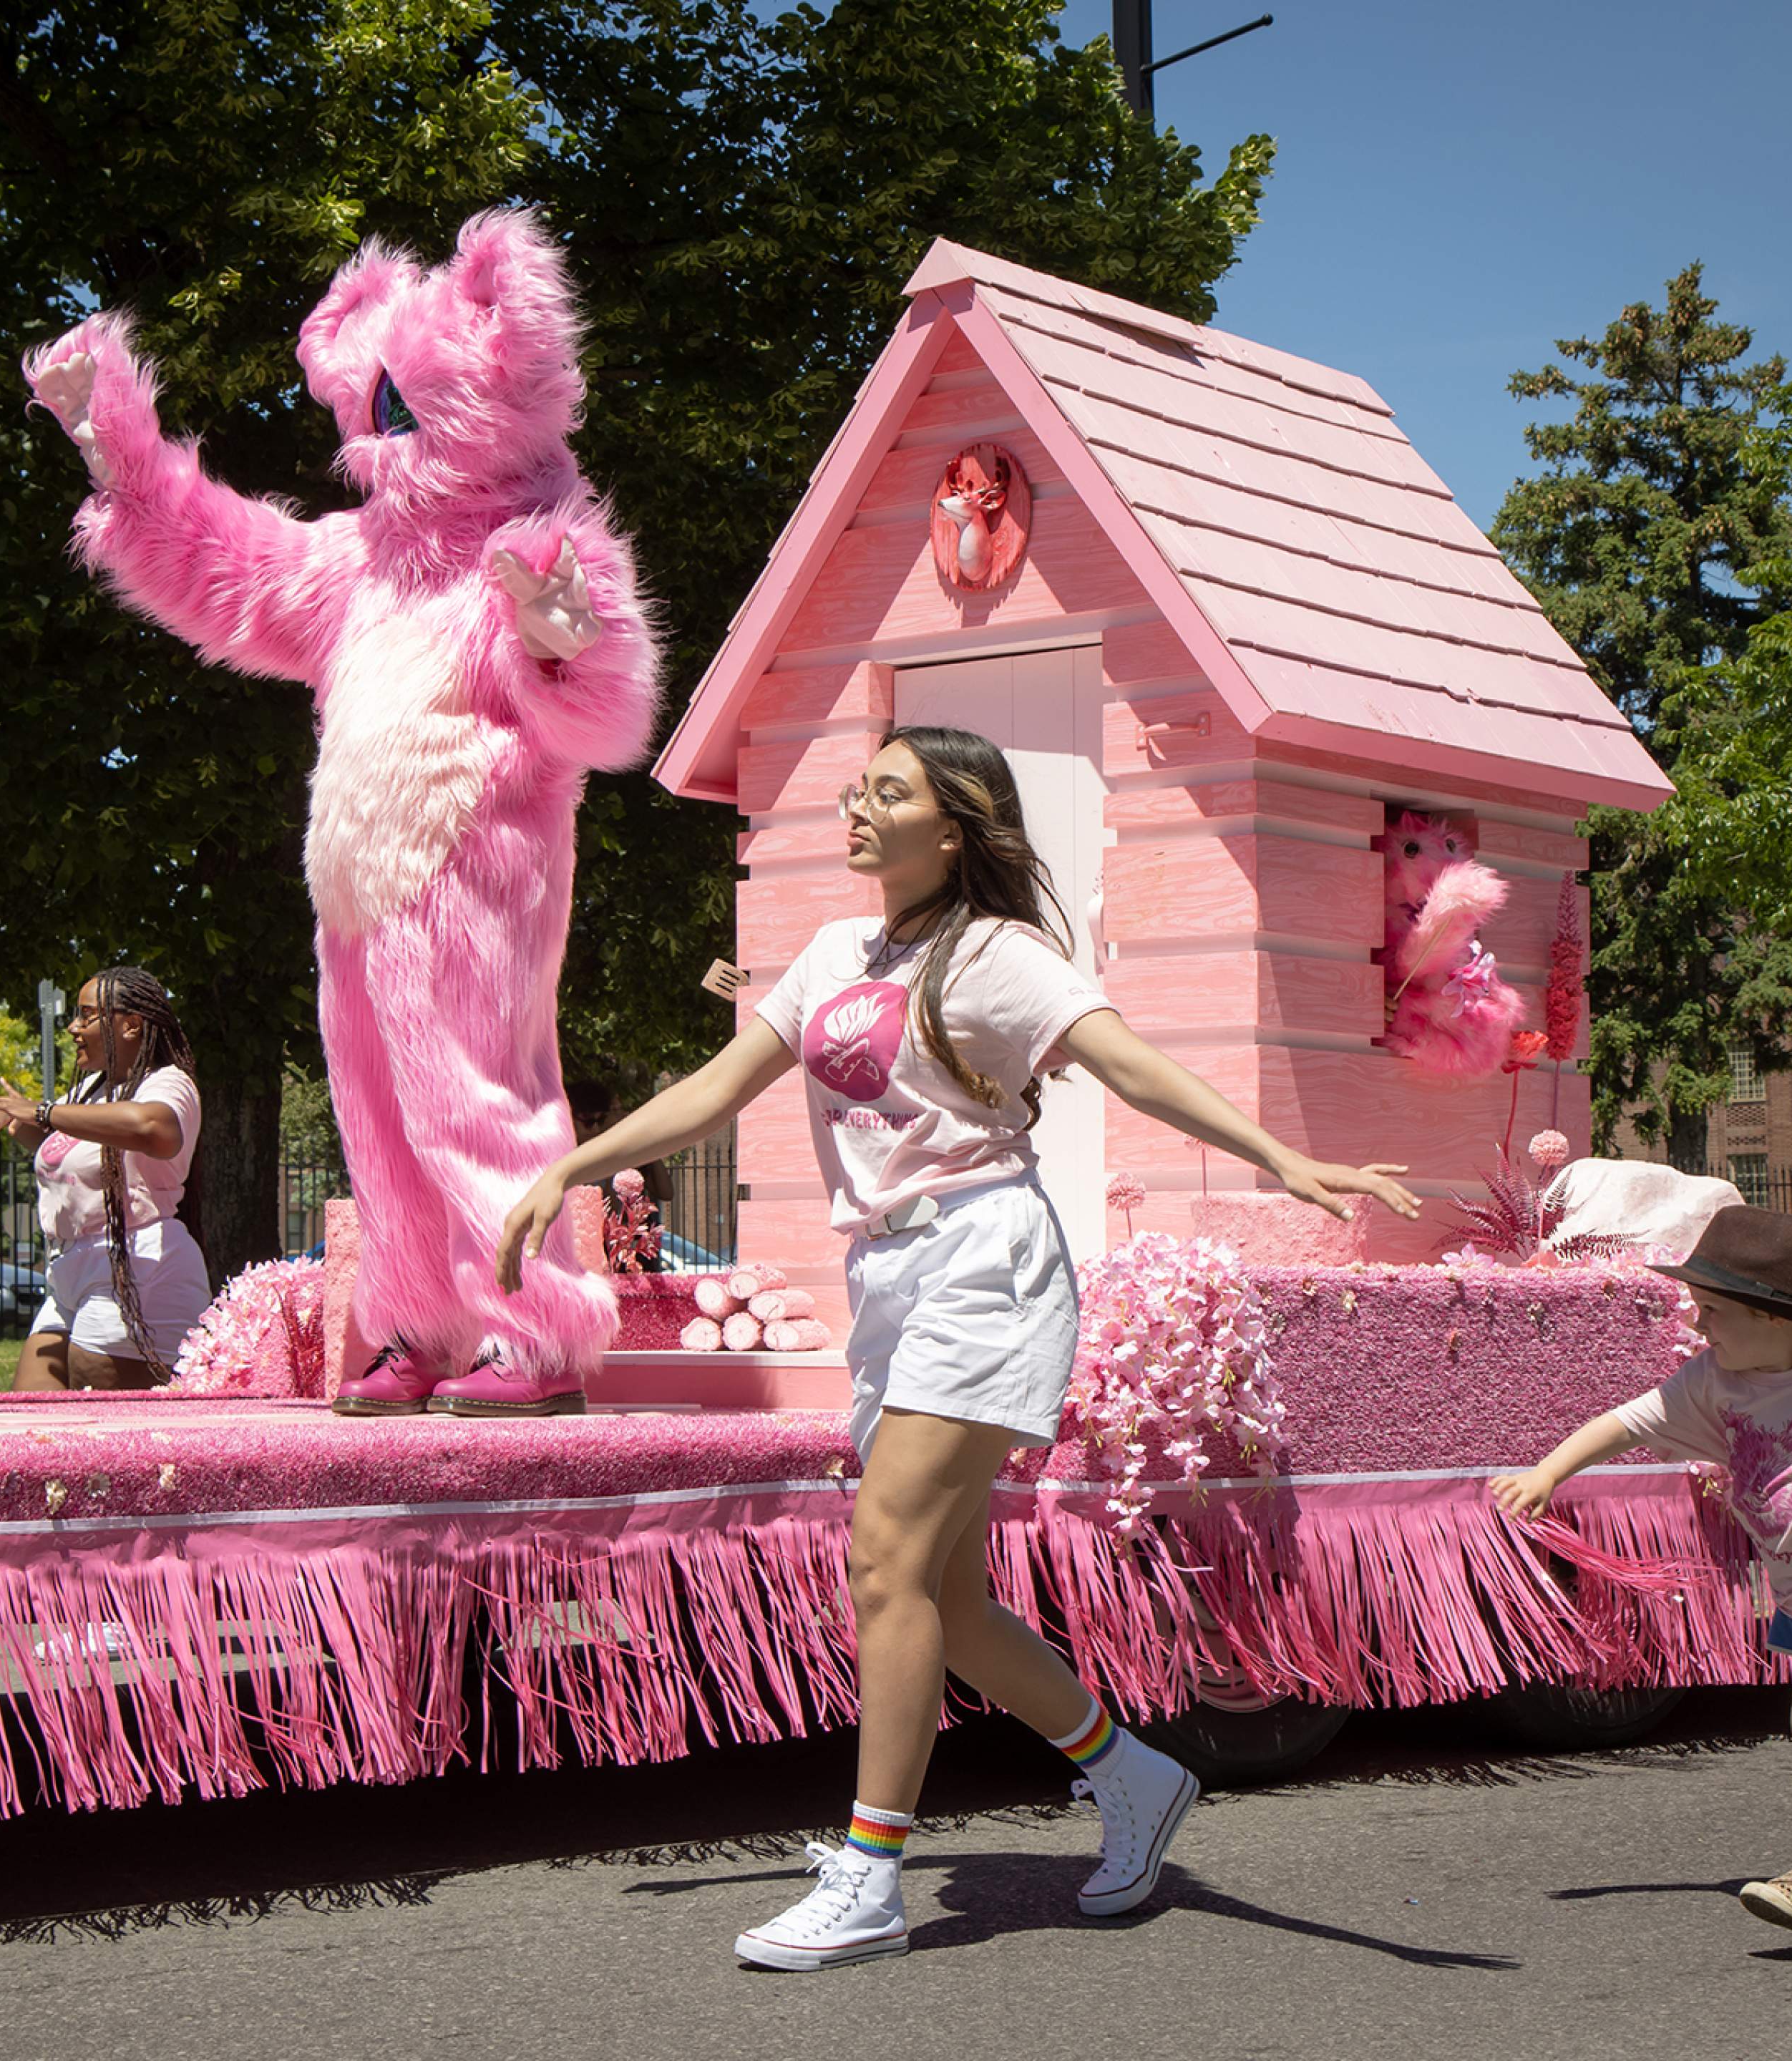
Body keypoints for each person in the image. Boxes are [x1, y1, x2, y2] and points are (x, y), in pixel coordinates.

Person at [495, 726, 1418, 1970]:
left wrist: (1285, 1159)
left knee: (883, 1568)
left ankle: (873, 1874)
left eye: (889, 790)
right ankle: (1134, 1777)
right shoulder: (833, 952)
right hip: (893, 1281)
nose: (854, 805)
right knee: (954, 1604)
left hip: (986, 1267)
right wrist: (578, 1160)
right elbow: (717, 1090)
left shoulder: (1000, 958)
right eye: (858, 784)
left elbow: (1129, 1064)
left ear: (957, 822)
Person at [1491, 1206, 1792, 1950]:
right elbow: (1627, 1421)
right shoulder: (1715, 1381)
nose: (1697, 1322)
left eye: (1713, 1309)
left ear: (1776, 1318)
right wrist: (1549, 1472)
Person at [0, 967, 211, 1388]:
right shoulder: (93, 1093)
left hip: (137, 1263)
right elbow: (53, 1142)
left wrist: (43, 1111)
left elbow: (151, 1128)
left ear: (131, 1024)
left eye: (86, 1016)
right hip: (72, 1265)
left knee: (108, 1433)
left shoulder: (167, 1084)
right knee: (30, 1421)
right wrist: (16, 1116)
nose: (73, 1028)